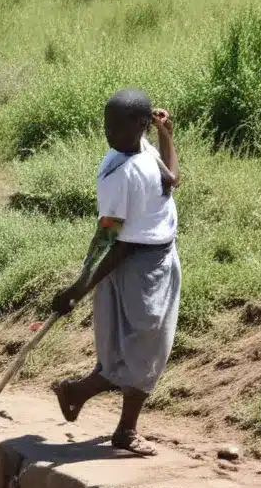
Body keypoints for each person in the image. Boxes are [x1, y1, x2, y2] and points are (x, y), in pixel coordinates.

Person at [50, 89, 181, 457]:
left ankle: (79, 393)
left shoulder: (144, 150)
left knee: (140, 347)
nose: (109, 131)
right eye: (107, 123)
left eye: (117, 124)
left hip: (158, 258)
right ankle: (125, 429)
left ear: (141, 125)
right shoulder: (118, 172)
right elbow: (110, 239)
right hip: (138, 264)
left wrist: (165, 135)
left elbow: (171, 180)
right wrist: (79, 287)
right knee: (146, 348)